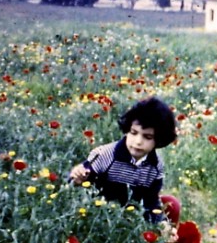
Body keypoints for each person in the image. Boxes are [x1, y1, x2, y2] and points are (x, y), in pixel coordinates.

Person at [69, 96, 180, 225]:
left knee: (172, 205)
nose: (138, 141)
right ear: (127, 130)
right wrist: (76, 179)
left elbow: (150, 202)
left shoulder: (155, 166)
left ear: (159, 140)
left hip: (133, 218)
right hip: (100, 216)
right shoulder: (106, 155)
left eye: (147, 137)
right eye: (133, 133)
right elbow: (79, 185)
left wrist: (161, 224)